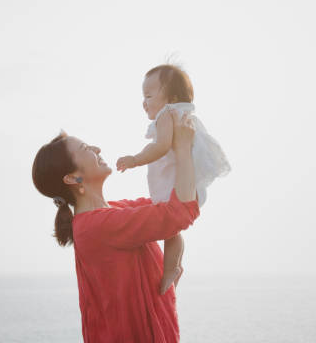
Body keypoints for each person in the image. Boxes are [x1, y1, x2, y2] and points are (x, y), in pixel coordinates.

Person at [32, 110, 199, 342]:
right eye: (86, 149)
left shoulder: (114, 212)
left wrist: (169, 142)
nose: (97, 149)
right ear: (72, 178)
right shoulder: (96, 226)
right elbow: (179, 213)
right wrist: (181, 148)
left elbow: (173, 201)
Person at [116, 64, 231, 294]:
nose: (144, 102)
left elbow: (160, 146)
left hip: (175, 187)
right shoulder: (185, 115)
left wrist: (135, 159)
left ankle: (171, 268)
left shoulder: (166, 115)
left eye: (149, 96)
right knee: (173, 230)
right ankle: (173, 268)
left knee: (171, 228)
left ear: (172, 98)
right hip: (191, 187)